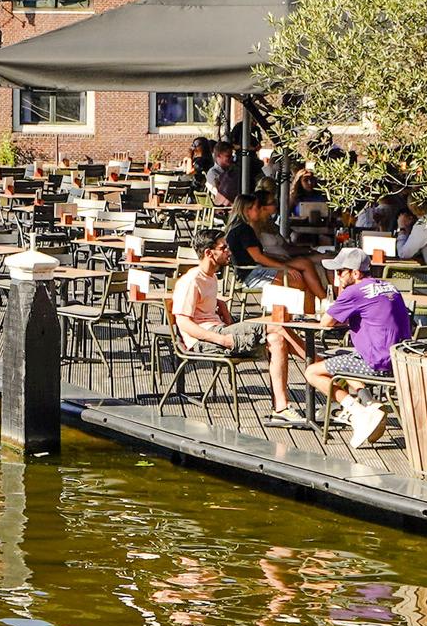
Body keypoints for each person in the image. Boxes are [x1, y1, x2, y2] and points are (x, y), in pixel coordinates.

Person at [172, 239, 309, 422]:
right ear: (208, 253)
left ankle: (281, 408)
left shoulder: (211, 277)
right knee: (277, 325)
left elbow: (209, 304)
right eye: (223, 248)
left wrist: (223, 311)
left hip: (221, 331)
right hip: (204, 341)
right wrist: (221, 340)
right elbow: (183, 322)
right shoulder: (191, 280)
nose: (229, 251)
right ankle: (321, 368)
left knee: (277, 339)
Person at [306, 248, 414, 447]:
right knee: (344, 360)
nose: (337, 276)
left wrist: (341, 291)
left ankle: (358, 413)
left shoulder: (354, 292)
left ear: (355, 273)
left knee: (311, 372)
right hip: (399, 360)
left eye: (340, 272)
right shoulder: (388, 286)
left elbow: (325, 322)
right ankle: (370, 403)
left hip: (378, 363)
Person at [224, 184, 331, 309]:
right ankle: (320, 306)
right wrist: (285, 267)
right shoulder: (244, 230)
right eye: (256, 208)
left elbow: (255, 255)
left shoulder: (238, 228)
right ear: (247, 210)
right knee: (300, 280)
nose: (259, 210)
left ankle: (318, 306)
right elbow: (258, 257)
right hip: (252, 274)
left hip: (252, 271)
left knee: (303, 272)